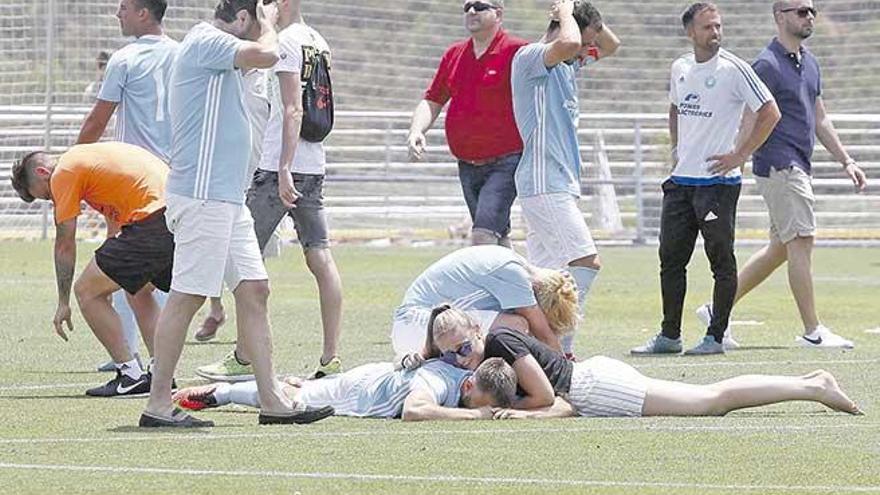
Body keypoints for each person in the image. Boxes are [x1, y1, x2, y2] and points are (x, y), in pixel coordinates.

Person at [141, 0, 327, 428]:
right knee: (187, 295)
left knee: (255, 289)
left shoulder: (223, 53)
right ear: (242, 19)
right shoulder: (206, 39)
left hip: (227, 197)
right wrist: (269, 25)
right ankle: (157, 404)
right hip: (203, 195)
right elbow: (267, 54)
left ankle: (272, 400)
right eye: (255, 19)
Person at [696, 0, 868, 349]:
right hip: (780, 164)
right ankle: (813, 332)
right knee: (802, 240)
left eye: (813, 12)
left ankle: (717, 309)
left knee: (781, 248)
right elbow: (749, 115)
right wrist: (738, 157)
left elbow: (820, 118)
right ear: (780, 16)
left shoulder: (810, 62)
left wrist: (846, 160)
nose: (810, 17)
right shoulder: (766, 64)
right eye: (802, 11)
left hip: (798, 164)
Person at [195, 0, 344, 382]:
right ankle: (331, 358)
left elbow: (293, 109)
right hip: (314, 165)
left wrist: (281, 168)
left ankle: (245, 358)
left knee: (243, 255)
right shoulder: (319, 41)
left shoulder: (289, 42)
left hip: (281, 168)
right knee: (320, 257)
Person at [631, 2, 781, 356]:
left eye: (718, 26)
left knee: (721, 260)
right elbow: (674, 108)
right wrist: (675, 149)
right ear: (690, 32)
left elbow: (770, 111)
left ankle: (715, 336)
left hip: (718, 184)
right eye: (707, 27)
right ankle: (670, 336)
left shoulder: (734, 68)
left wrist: (739, 155)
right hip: (682, 182)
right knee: (670, 259)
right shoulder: (680, 67)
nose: (715, 33)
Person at [429, 307, 862, 419]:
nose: (460, 360)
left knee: (712, 401)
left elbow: (544, 395)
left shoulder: (501, 339)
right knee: (710, 400)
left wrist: (495, 413)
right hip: (593, 385)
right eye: (450, 354)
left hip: (594, 388)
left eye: (464, 347)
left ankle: (812, 386)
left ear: (477, 332)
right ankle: (808, 382)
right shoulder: (482, 352)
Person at [9, 143, 174, 397]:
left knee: (85, 291)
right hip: (176, 215)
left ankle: (130, 375)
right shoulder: (89, 159)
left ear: (43, 172)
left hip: (152, 221)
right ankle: (161, 375)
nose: (53, 200)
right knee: (138, 290)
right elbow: (117, 227)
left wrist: (63, 302)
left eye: (46, 196)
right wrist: (108, 279)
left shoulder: (64, 172)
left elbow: (65, 243)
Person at [510, 0, 620, 358]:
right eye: (584, 38)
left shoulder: (568, 65)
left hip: (556, 184)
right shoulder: (531, 57)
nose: (589, 49)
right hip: (544, 182)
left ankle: (529, 344)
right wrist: (567, 13)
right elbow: (571, 43)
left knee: (543, 279)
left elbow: (610, 46)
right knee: (585, 262)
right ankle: (562, 347)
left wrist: (590, 20)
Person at [76, 0, 178, 373]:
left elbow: (97, 119)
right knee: (151, 274)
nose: (117, 14)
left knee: (123, 266)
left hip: (134, 180)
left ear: (143, 13)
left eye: (123, 7)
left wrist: (74, 163)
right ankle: (147, 359)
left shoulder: (124, 58)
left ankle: (133, 358)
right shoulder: (183, 54)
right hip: (177, 176)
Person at [407, 0, 527, 248]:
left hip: (506, 163)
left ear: (499, 13)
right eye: (467, 6)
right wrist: (417, 130)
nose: (472, 11)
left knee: (482, 237)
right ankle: (526, 286)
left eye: (481, 6)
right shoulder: (454, 54)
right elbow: (432, 99)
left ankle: (481, 287)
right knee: (498, 237)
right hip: (467, 164)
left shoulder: (519, 51)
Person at [172, 358, 517, 421]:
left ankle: (298, 382)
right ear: (469, 383)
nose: (473, 404)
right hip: (363, 390)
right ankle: (222, 393)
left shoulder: (460, 376)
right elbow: (415, 411)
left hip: (373, 378)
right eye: (474, 398)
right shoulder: (440, 382)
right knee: (292, 401)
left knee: (302, 389)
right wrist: (475, 413)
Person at [391, 245, 579, 358]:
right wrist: (567, 377)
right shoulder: (515, 276)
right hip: (417, 328)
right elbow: (545, 336)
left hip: (414, 327)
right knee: (518, 326)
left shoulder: (513, 261)